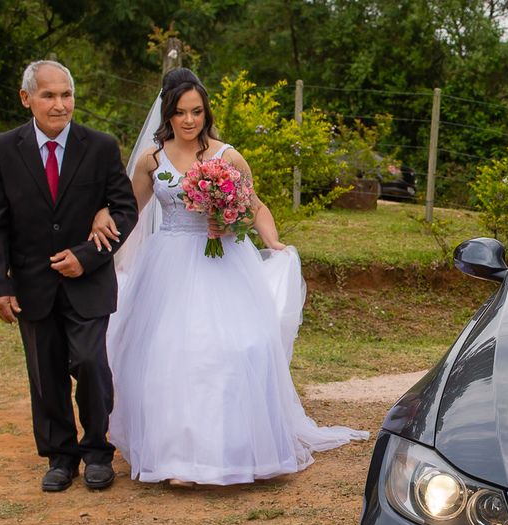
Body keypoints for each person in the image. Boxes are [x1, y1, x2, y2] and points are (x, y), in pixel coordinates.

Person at [90, 68, 368, 486]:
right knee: (168, 352)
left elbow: (254, 205)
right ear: (168, 114)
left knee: (232, 349)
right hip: (167, 264)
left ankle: (227, 450)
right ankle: (176, 457)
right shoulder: (153, 159)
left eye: (197, 112)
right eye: (181, 113)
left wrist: (271, 242)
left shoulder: (227, 156)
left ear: (206, 112)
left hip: (221, 262)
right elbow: (130, 207)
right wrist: (102, 220)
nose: (189, 121)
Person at [0, 60, 139, 492]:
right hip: (32, 283)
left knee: (90, 363)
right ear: (26, 97)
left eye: (66, 95)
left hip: (88, 281)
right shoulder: (2, 149)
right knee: (45, 372)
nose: (60, 104)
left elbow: (125, 210)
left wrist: (87, 256)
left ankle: (95, 452)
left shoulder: (101, 146)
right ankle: (59, 456)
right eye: (49, 95)